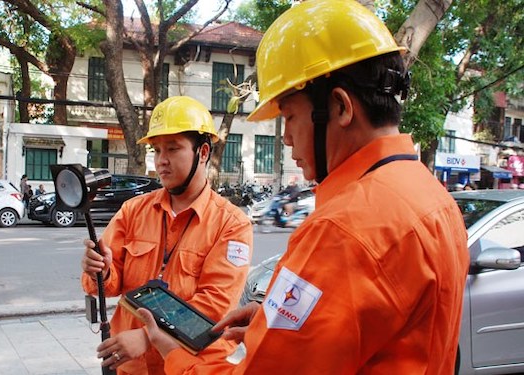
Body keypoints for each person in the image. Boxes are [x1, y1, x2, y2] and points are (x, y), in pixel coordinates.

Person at [139, 1, 470, 374]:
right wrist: (272, 326)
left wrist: (174, 352)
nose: (287, 139)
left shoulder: (342, 230)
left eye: (290, 116)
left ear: (340, 108)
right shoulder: (435, 198)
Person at [80, 96, 253, 374]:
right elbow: (106, 287)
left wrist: (148, 337)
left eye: (173, 149)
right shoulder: (133, 211)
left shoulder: (231, 224)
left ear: (203, 152)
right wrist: (98, 269)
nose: (162, 161)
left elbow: (214, 304)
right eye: (156, 150)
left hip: (191, 366)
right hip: (130, 366)